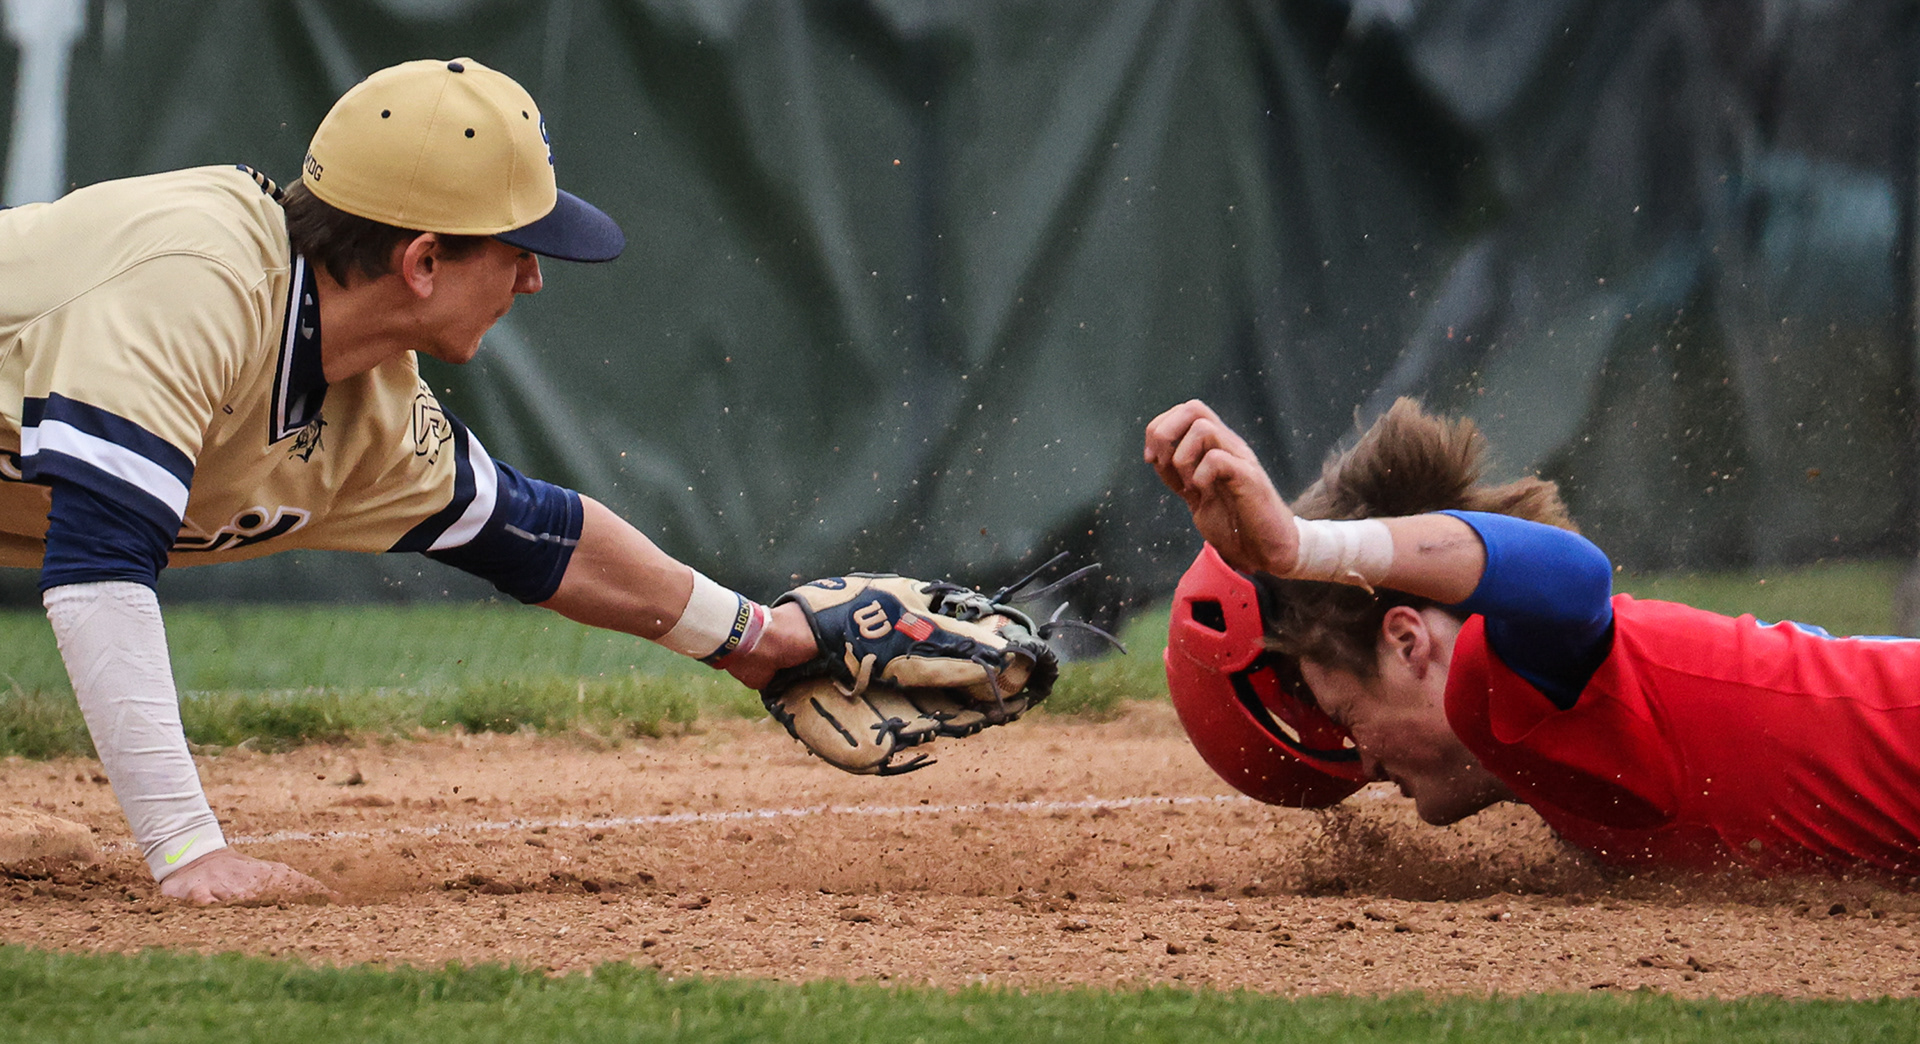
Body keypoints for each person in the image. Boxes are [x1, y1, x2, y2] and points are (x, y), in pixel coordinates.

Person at [0, 58, 819, 904]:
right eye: (520, 251)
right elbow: (98, 568)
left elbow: (538, 537)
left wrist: (760, 640)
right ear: (424, 261)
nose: (533, 278)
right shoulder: (197, 283)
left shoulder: (370, 405)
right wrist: (187, 852)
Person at [1146, 397, 1920, 878]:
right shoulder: (1541, 758)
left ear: (1410, 641)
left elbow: (1574, 575)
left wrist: (1303, 552)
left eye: (1349, 719)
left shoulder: (1506, 678)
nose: (1365, 764)